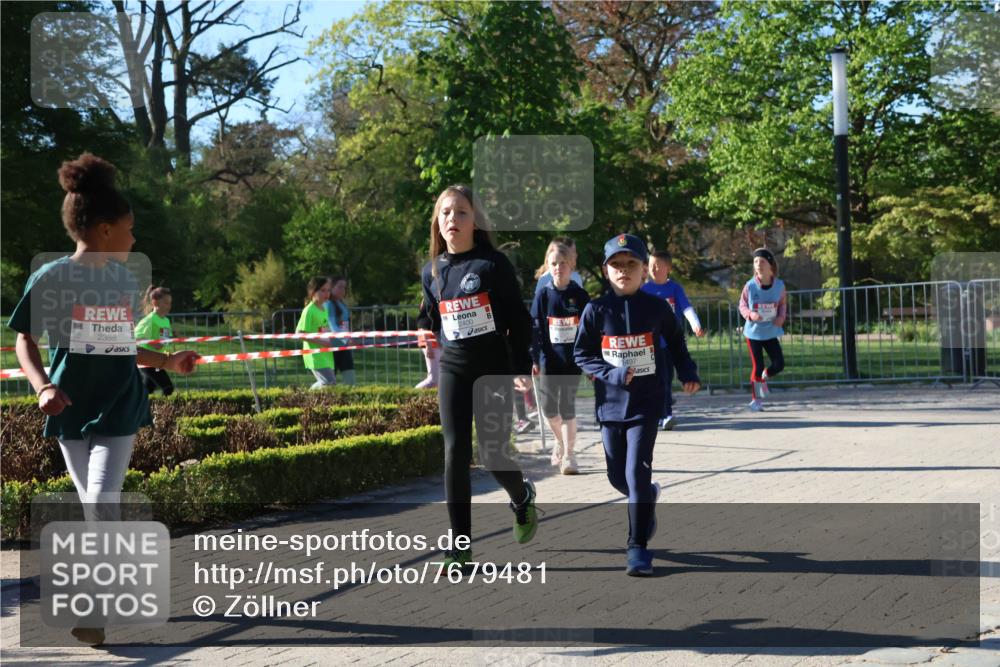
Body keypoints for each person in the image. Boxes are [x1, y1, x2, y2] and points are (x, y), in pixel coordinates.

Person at [8, 153, 199, 646]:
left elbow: (122, 344)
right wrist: (43, 386)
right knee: (98, 507)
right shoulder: (49, 277)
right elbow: (24, 341)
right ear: (104, 229)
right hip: (68, 405)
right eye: (130, 229)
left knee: (100, 499)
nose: (135, 240)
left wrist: (168, 362)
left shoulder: (121, 279)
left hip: (119, 401)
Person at [420, 184, 539, 568]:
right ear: (437, 223)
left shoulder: (493, 265)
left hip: (492, 369)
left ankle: (521, 498)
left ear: (476, 221)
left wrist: (521, 368)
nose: (452, 219)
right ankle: (460, 547)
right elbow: (432, 316)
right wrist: (424, 329)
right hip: (454, 367)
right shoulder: (432, 270)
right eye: (445, 213)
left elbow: (520, 323)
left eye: (461, 212)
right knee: (454, 451)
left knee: (491, 454)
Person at [574, 233, 700, 576]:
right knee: (618, 476)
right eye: (616, 264)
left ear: (645, 270)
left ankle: (638, 548)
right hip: (610, 407)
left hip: (646, 404)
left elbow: (676, 342)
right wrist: (609, 374)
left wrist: (688, 372)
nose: (624, 270)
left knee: (635, 472)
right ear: (606, 270)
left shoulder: (657, 308)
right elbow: (582, 354)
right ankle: (646, 496)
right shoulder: (596, 310)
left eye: (632, 264)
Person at [530, 243, 590, 474]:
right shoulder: (543, 296)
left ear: (571, 265)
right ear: (548, 266)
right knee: (548, 409)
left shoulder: (580, 295)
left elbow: (589, 328)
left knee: (567, 407)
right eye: (553, 264)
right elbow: (535, 329)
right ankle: (560, 441)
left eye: (563, 263)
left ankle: (569, 456)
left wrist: (589, 359)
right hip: (548, 360)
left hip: (572, 361)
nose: (558, 268)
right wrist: (534, 358)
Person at [640, 250, 706, 430]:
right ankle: (661, 413)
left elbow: (686, 308)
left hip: (670, 343)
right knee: (656, 380)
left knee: (666, 379)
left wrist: (695, 324)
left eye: (658, 265)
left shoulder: (675, 288)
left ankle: (665, 414)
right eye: (651, 264)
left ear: (668, 268)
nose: (653, 268)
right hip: (650, 345)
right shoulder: (644, 289)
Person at [738, 248, 787, 412]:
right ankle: (756, 400)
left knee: (779, 364)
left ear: (770, 265)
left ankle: (765, 376)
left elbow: (782, 304)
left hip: (771, 331)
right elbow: (742, 305)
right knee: (757, 367)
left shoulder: (779, 286)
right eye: (755, 262)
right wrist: (750, 314)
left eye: (762, 261)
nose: (758, 264)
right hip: (754, 333)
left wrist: (781, 317)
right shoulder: (750, 286)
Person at [297, 276, 337, 390]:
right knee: (329, 383)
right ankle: (306, 395)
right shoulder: (309, 310)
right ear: (313, 291)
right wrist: (322, 341)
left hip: (326, 354)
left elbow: (324, 329)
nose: (326, 293)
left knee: (329, 384)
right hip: (315, 354)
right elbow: (300, 333)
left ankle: (307, 397)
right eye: (323, 290)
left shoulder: (325, 309)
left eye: (328, 290)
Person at [134, 285, 175, 396]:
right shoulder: (149, 320)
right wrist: (153, 344)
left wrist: (166, 348)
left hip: (157, 359)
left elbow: (164, 340)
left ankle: (142, 410)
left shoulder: (166, 320)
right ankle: (166, 412)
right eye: (166, 303)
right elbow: (135, 337)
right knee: (168, 388)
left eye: (170, 303)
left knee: (147, 390)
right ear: (155, 303)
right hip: (147, 360)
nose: (169, 306)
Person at [325, 277, 356, 385]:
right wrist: (346, 339)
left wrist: (349, 337)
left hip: (344, 346)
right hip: (331, 347)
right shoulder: (328, 304)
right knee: (328, 383)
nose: (343, 290)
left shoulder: (342, 304)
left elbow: (345, 325)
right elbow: (332, 326)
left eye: (344, 287)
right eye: (340, 287)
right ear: (332, 288)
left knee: (350, 379)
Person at [415, 298, 441, 389]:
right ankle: (413, 394)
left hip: (435, 342)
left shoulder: (432, 299)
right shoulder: (429, 301)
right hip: (430, 342)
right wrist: (428, 346)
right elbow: (422, 324)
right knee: (433, 380)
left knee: (439, 379)